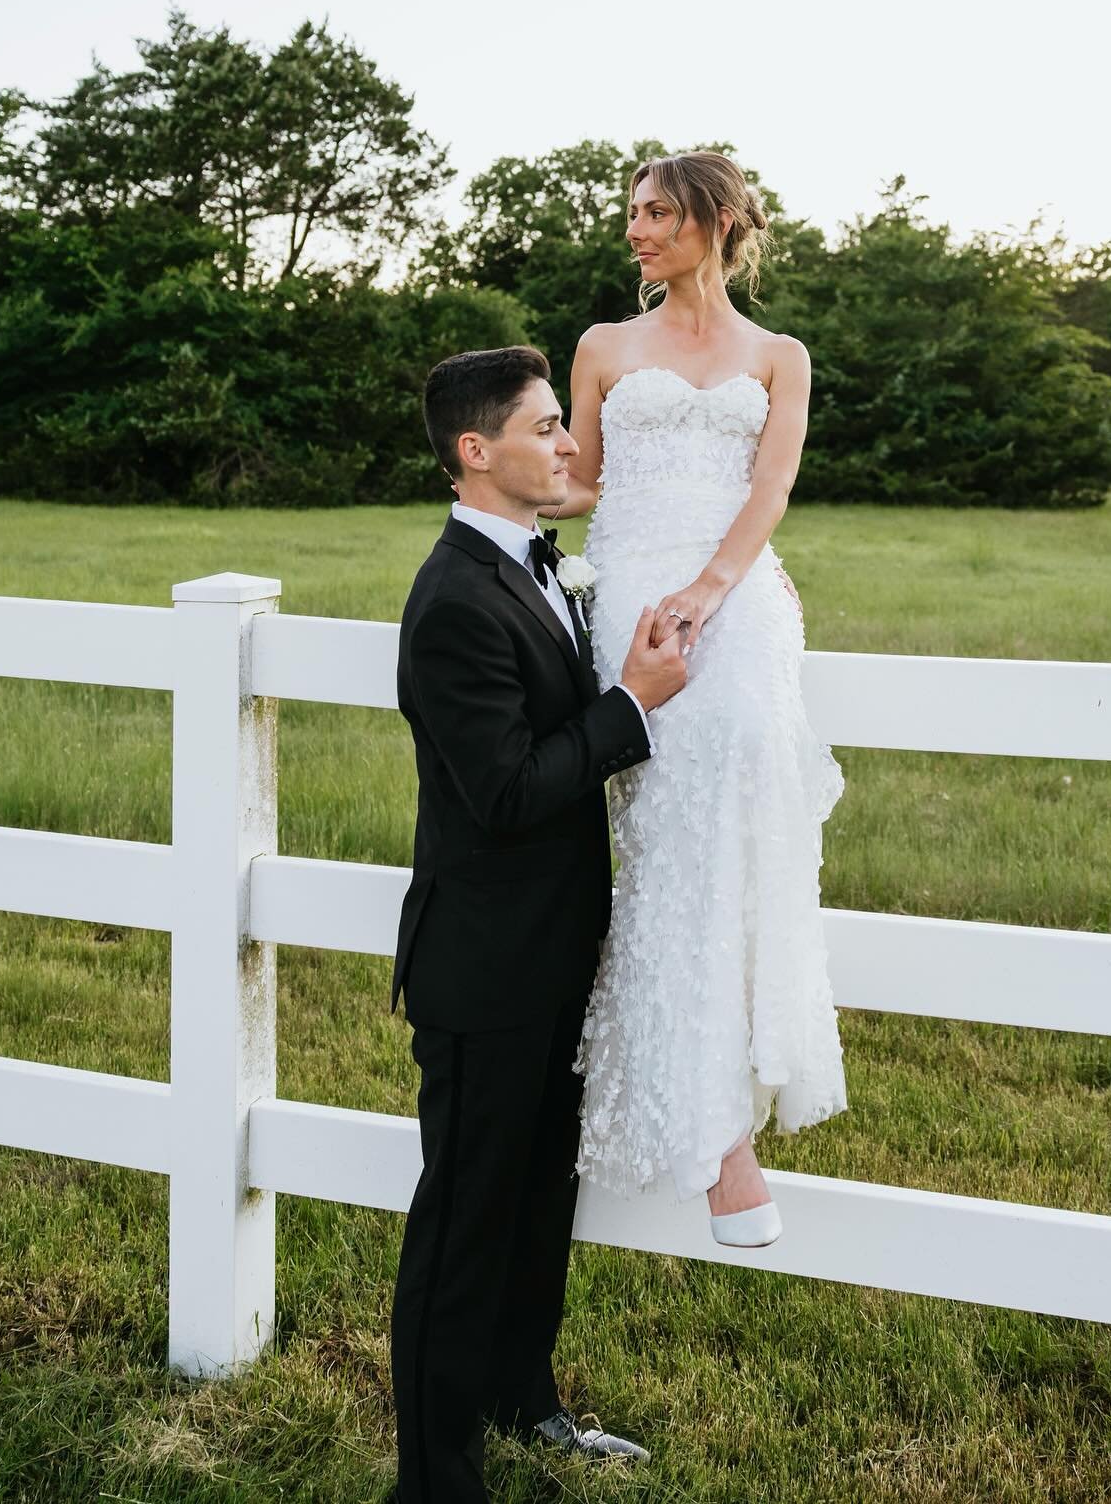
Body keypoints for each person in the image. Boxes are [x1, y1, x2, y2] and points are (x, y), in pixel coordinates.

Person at [387, 345, 687, 1502]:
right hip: (485, 972)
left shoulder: (535, 568)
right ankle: (435, 1481)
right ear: (478, 451)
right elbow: (506, 791)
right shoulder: (455, 599)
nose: (571, 442)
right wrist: (631, 709)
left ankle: (525, 1405)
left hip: (555, 959)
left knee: (535, 1205)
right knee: (464, 1232)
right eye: (548, 425)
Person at [550, 149, 849, 1248]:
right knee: (671, 840)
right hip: (633, 591)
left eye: (657, 214)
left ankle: (736, 1095)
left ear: (715, 223)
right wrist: (493, 480)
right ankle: (723, 1145)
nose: (635, 230)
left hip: (734, 592)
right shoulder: (602, 347)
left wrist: (715, 589)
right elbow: (580, 479)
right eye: (631, 213)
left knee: (745, 828)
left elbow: (772, 486)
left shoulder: (780, 356)